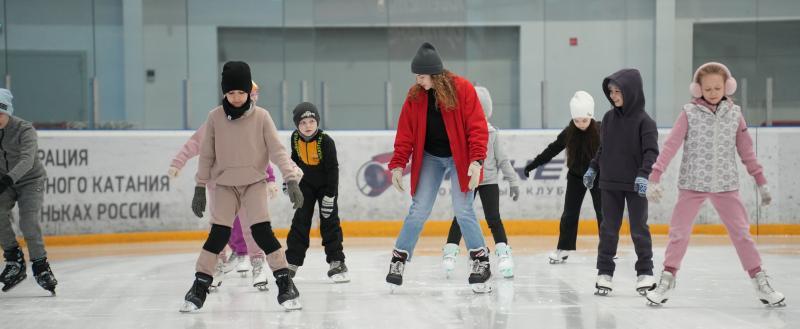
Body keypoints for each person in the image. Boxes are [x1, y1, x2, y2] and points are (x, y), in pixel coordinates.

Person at [645, 62, 785, 307]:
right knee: (679, 233)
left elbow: (747, 153)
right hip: (692, 183)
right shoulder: (688, 112)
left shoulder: (735, 114)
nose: (712, 92)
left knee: (742, 234)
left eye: (717, 87)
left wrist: (761, 181)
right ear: (698, 89)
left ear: (727, 86)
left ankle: (760, 281)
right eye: (707, 88)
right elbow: (670, 146)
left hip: (725, 184)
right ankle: (667, 278)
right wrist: (655, 176)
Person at [180, 61, 304, 312]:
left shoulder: (261, 117)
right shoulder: (215, 118)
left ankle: (284, 282)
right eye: (231, 92)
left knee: (262, 232)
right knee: (218, 235)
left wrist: (289, 178)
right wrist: (200, 186)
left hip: (254, 184)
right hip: (224, 186)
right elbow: (206, 154)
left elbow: (277, 151)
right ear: (224, 92)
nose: (236, 98)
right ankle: (200, 285)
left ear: (249, 92)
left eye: (241, 92)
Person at [385, 42, 491, 293]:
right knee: (419, 208)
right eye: (417, 76)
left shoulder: (462, 89)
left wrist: (477, 161)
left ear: (434, 74)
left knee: (463, 208)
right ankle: (399, 259)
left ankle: (481, 260)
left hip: (460, 158)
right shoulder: (415, 96)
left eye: (421, 76)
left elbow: (477, 127)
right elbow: (405, 133)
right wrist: (398, 164)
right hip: (431, 157)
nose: (418, 81)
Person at [584, 68, 658, 296]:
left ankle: (645, 271)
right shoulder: (608, 118)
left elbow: (651, 152)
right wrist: (593, 167)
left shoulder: (645, 122)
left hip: (635, 184)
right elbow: (604, 148)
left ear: (631, 91)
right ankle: (604, 272)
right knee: (608, 229)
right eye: (611, 91)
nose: (613, 96)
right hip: (609, 183)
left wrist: (643, 175)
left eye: (618, 91)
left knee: (639, 229)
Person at [442, 86, 520, 279]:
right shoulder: (462, 133)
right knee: (461, 216)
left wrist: (513, 181)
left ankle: (503, 253)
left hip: (490, 182)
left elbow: (502, 160)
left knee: (493, 218)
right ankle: (451, 251)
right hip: (469, 181)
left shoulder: (492, 133)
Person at [523, 91, 603, 265]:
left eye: (584, 120)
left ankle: (607, 248)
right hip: (575, 176)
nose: (581, 124)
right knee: (569, 214)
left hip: (598, 176)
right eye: (577, 120)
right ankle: (564, 248)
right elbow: (552, 150)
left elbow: (616, 151)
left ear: (591, 116)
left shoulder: (601, 130)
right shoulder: (569, 132)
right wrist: (533, 165)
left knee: (603, 212)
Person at [0, 88, 58, 295]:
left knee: (28, 221)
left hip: (30, 181)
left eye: (0, 113)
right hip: (5, 181)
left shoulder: (25, 129)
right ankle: (13, 258)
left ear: (9, 112)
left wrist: (6, 179)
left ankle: (41, 265)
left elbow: (27, 160)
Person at [284, 102, 349, 283]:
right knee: (300, 220)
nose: (307, 126)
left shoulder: (326, 141)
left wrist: (330, 196)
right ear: (297, 125)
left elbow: (333, 170)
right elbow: (294, 160)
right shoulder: (295, 138)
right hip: (306, 185)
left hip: (326, 186)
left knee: (329, 221)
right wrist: (289, 180)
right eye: (303, 122)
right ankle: (291, 262)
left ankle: (337, 261)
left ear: (317, 122)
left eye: (311, 121)